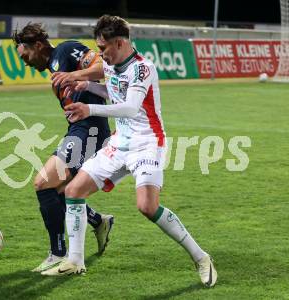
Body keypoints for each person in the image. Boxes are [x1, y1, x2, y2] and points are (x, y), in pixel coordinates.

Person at [42, 15, 218, 288]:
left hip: (147, 142)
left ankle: (201, 257)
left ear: (120, 43)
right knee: (73, 191)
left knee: (147, 207)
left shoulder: (142, 69)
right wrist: (87, 86)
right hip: (119, 142)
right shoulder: (112, 64)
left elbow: (130, 107)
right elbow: (113, 92)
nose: (100, 55)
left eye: (103, 49)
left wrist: (90, 108)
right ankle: (75, 261)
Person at [11, 23, 117, 273]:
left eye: (25, 55)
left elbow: (104, 67)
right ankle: (98, 221)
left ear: (37, 46)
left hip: (90, 130)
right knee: (58, 190)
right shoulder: (53, 69)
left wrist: (75, 75)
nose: (25, 62)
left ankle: (58, 253)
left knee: (42, 183)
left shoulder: (67, 50)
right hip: (78, 132)